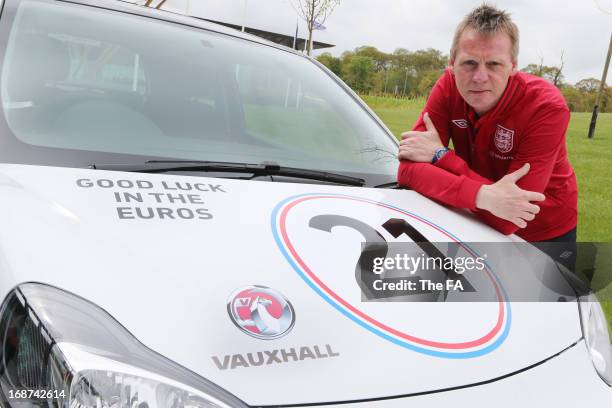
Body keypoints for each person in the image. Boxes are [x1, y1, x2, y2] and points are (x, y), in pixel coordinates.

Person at [397, 4, 578, 268]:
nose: (479, 77)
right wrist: (483, 196)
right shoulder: (448, 86)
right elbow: (407, 170)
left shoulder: (546, 106)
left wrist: (441, 157)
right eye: (469, 63)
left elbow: (512, 215)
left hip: (544, 230)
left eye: (493, 64)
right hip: (477, 214)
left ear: (513, 66)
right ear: (451, 64)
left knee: (543, 307)